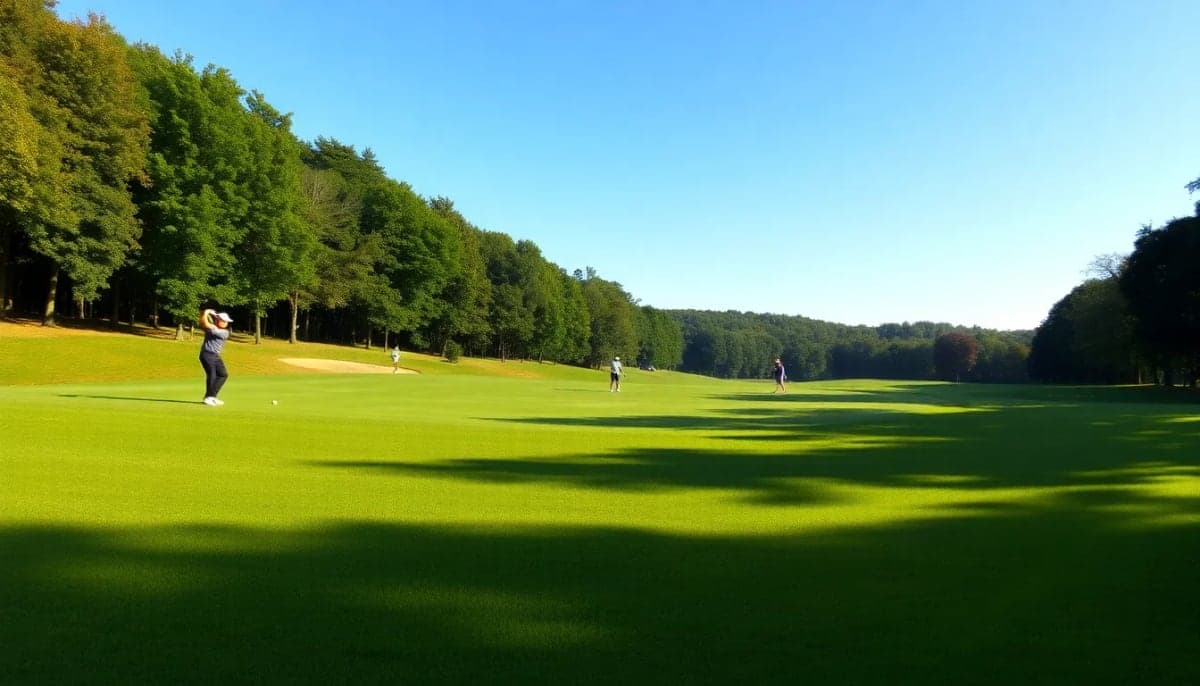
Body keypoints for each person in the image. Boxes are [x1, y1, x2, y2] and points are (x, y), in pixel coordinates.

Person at [199, 309, 232, 406]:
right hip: (207, 354)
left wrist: (206, 313)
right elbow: (203, 322)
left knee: (223, 374)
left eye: (226, 321)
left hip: (215, 356)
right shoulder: (211, 328)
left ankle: (212, 396)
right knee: (212, 375)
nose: (226, 323)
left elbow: (206, 324)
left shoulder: (224, 332)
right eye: (224, 321)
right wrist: (205, 313)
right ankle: (208, 398)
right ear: (218, 320)